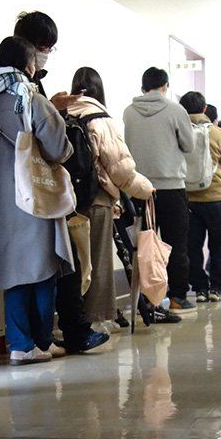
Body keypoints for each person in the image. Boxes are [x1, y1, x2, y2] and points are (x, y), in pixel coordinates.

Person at [0, 36, 76, 365]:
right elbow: (59, 148)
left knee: (14, 274)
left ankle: (19, 343)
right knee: (43, 270)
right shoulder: (31, 99)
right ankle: (42, 341)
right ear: (29, 65)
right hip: (32, 196)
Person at [13, 11, 107, 353]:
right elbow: (48, 139)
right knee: (62, 262)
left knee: (55, 264)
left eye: (50, 47)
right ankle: (68, 332)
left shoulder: (26, 83)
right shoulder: (24, 88)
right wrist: (52, 110)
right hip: (38, 184)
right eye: (42, 47)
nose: (46, 53)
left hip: (34, 184)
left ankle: (46, 335)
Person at [67, 67, 154, 331]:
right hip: (96, 199)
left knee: (74, 263)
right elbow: (120, 169)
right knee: (98, 260)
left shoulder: (62, 113)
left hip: (66, 200)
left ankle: (72, 319)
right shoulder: (99, 118)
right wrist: (146, 189)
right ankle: (95, 319)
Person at [122, 66, 196, 314]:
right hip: (172, 186)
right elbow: (189, 145)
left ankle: (150, 300)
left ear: (143, 87)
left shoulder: (128, 112)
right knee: (176, 244)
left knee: (145, 246)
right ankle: (177, 297)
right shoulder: (176, 109)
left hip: (140, 190)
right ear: (165, 86)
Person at [180, 91, 221, 302]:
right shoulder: (217, 133)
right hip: (216, 196)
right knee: (220, 243)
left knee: (192, 246)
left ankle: (200, 287)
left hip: (189, 198)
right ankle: (216, 288)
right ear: (204, 109)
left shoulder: (179, 132)